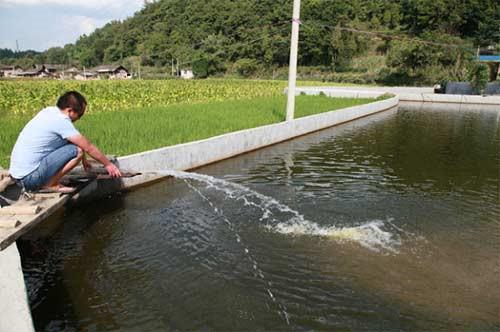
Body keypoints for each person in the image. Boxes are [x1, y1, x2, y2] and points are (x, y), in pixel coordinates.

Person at [9, 91, 121, 193]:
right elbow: (88, 146)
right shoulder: (61, 121)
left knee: (76, 148)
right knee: (77, 151)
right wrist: (108, 164)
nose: (79, 118)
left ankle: (48, 181)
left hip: (19, 176)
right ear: (70, 110)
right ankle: (50, 185)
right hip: (29, 179)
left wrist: (84, 160)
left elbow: (72, 141)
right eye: (80, 114)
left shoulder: (49, 112)